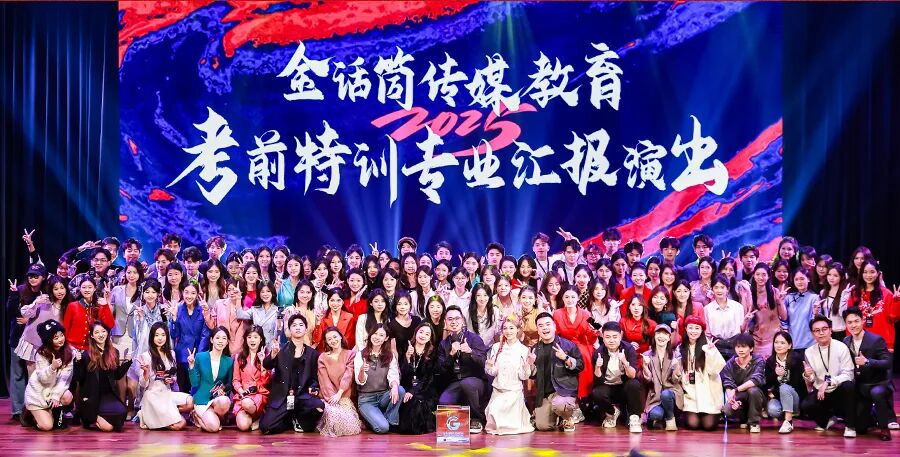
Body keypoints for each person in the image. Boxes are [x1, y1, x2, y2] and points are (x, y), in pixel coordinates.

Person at [260, 314, 324, 434]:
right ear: (289, 330)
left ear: (306, 329)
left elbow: (315, 378)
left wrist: (314, 387)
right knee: (266, 427)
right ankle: (289, 421)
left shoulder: (313, 354)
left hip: (302, 396)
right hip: (284, 398)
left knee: (319, 406)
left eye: (301, 325)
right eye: (294, 325)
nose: (298, 328)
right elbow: (267, 365)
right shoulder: (280, 350)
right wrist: (273, 354)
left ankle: (298, 418)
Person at [800, 315, 857, 438]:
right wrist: (807, 375)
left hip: (839, 389)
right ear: (812, 334)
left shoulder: (841, 347)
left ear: (830, 330)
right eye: (817, 330)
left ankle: (850, 426)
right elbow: (813, 379)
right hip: (822, 392)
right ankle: (828, 419)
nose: (821, 333)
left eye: (824, 329)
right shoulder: (809, 352)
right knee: (806, 405)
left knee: (848, 386)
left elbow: (849, 374)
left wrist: (829, 382)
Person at [843, 307, 894, 441]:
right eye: (849, 322)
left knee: (876, 393)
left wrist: (867, 362)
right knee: (860, 429)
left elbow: (887, 362)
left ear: (863, 320)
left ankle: (884, 428)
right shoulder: (846, 341)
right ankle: (873, 416)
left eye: (856, 321)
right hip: (861, 385)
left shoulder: (876, 340)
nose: (853, 325)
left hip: (878, 383)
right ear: (846, 324)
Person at [72, 321, 134, 432]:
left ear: (107, 333)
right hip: (92, 396)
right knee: (108, 428)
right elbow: (79, 378)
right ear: (92, 336)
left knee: (122, 412)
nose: (101, 335)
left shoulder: (113, 352)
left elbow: (117, 375)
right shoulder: (86, 354)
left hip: (108, 395)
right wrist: (77, 362)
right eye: (97, 332)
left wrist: (127, 362)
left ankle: (97, 417)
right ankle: (90, 417)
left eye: (103, 331)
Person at [437, 305, 489, 433]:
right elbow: (441, 370)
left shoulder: (473, 338)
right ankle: (460, 422)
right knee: (444, 402)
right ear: (445, 322)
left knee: (468, 383)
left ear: (463, 320)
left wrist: (471, 352)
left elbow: (484, 362)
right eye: (450, 319)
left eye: (457, 318)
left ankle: (477, 419)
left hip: (475, 381)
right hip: (455, 382)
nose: (453, 322)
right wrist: (451, 355)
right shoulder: (444, 344)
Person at [530, 312, 583, 432]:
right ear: (537, 329)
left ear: (554, 326)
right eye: (541, 326)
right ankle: (555, 418)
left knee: (560, 405)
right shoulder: (535, 349)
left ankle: (568, 418)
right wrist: (530, 365)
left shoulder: (568, 345)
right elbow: (533, 376)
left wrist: (566, 358)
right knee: (543, 426)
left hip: (563, 390)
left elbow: (580, 366)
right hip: (546, 393)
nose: (545, 328)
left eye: (548, 324)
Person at [135, 322, 193, 430]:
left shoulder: (171, 354)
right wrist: (146, 372)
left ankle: (156, 416)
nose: (160, 338)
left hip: (167, 393)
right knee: (179, 425)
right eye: (157, 335)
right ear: (152, 337)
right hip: (152, 396)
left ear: (167, 336)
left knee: (190, 402)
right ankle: (148, 415)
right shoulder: (146, 356)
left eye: (163, 335)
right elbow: (142, 384)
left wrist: (171, 379)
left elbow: (173, 375)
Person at [484, 316, 534, 435]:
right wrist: (489, 366)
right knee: (493, 414)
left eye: (511, 328)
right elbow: (493, 372)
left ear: (518, 330)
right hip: (498, 390)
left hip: (514, 392)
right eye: (505, 328)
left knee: (512, 426)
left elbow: (523, 376)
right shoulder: (496, 347)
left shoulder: (523, 350)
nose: (508, 331)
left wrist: (527, 366)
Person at [23, 320, 76, 431]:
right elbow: (43, 379)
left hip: (52, 392)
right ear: (49, 340)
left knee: (67, 396)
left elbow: (64, 379)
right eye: (56, 338)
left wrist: (56, 396)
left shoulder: (69, 352)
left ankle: (51, 411)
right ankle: (30, 415)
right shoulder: (41, 354)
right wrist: (52, 368)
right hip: (38, 394)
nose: (61, 339)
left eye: (61, 335)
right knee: (47, 426)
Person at [590, 322, 643, 433]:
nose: (611, 340)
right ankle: (612, 413)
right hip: (608, 387)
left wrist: (624, 362)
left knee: (634, 384)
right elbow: (597, 382)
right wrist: (597, 367)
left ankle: (634, 418)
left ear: (620, 336)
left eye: (615, 337)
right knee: (597, 392)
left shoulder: (628, 349)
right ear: (602, 337)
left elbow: (632, 375)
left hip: (624, 387)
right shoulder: (598, 353)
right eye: (608, 337)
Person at [354, 323, 404, 434]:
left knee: (400, 390)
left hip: (383, 396)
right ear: (370, 335)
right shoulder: (360, 355)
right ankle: (377, 420)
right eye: (375, 334)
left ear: (386, 338)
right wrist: (362, 370)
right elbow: (360, 381)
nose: (377, 337)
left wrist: (394, 386)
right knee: (383, 428)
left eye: (381, 335)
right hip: (367, 400)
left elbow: (393, 375)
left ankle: (388, 419)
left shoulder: (389, 355)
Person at [679, 315, 726, 431]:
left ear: (701, 330)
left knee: (708, 426)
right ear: (686, 328)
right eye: (690, 328)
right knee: (693, 424)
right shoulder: (681, 347)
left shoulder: (708, 346)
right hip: (690, 395)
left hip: (708, 394)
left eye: (697, 328)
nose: (693, 331)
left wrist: (711, 352)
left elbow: (714, 371)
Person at [552, 285, 599, 401]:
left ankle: (584, 396)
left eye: (573, 297)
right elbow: (555, 334)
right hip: (564, 345)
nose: (570, 300)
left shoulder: (586, 314)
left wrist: (596, 331)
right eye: (567, 297)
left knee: (584, 356)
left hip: (582, 344)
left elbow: (596, 331)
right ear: (562, 298)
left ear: (578, 298)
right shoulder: (556, 313)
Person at [316, 326, 362, 437]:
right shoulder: (322, 357)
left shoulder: (350, 354)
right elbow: (324, 381)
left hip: (344, 395)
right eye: (329, 339)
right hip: (329, 397)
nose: (333, 340)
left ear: (341, 337)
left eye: (335, 337)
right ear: (326, 342)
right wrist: (332, 399)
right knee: (334, 418)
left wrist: (339, 394)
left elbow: (348, 376)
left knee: (348, 426)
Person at [188, 326, 234, 433]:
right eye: (217, 338)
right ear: (211, 340)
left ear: (227, 342)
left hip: (217, 401)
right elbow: (194, 383)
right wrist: (191, 366)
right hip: (203, 400)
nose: (221, 341)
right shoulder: (200, 357)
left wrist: (224, 391)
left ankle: (214, 417)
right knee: (214, 428)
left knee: (225, 401)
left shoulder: (229, 361)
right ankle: (196, 416)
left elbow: (229, 385)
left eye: (224, 338)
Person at [720, 333, 766, 433]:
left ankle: (754, 422)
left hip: (756, 395)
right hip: (740, 395)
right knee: (727, 410)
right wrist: (732, 399)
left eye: (744, 347)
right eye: (738, 347)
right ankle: (743, 419)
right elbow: (727, 383)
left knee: (753, 391)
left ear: (751, 348)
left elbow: (756, 380)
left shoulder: (758, 360)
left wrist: (736, 390)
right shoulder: (730, 363)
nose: (740, 350)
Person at [764, 331, 808, 434]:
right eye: (776, 342)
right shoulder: (770, 361)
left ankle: (788, 421)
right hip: (780, 398)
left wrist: (806, 374)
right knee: (772, 409)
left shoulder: (796, 359)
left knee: (784, 387)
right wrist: (775, 374)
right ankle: (787, 413)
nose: (778, 345)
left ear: (789, 345)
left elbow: (798, 384)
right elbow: (767, 384)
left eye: (782, 343)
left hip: (796, 398)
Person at [398, 323, 438, 434]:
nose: (423, 335)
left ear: (430, 338)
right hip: (406, 386)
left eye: (427, 334)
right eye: (421, 332)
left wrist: (413, 391)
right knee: (406, 402)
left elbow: (428, 378)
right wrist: (407, 358)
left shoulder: (432, 353)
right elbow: (403, 374)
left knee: (416, 402)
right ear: (416, 333)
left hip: (424, 389)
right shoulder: (406, 348)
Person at [641, 324, 682, 431]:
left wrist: (677, 367)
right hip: (655, 396)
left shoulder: (676, 355)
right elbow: (647, 380)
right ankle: (661, 417)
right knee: (656, 415)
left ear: (669, 338)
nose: (661, 336)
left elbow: (676, 380)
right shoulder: (647, 355)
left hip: (671, 394)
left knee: (666, 394)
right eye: (658, 333)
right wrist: (645, 366)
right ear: (654, 336)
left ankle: (670, 419)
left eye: (665, 334)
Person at [232, 325, 272, 432]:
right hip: (243, 395)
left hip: (259, 395)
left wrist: (263, 362)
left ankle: (262, 416)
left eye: (255, 337)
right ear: (245, 339)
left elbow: (266, 381)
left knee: (247, 403)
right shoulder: (239, 357)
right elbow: (236, 380)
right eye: (249, 337)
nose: (252, 340)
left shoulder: (267, 356)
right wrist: (241, 391)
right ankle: (258, 421)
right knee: (243, 426)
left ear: (261, 339)